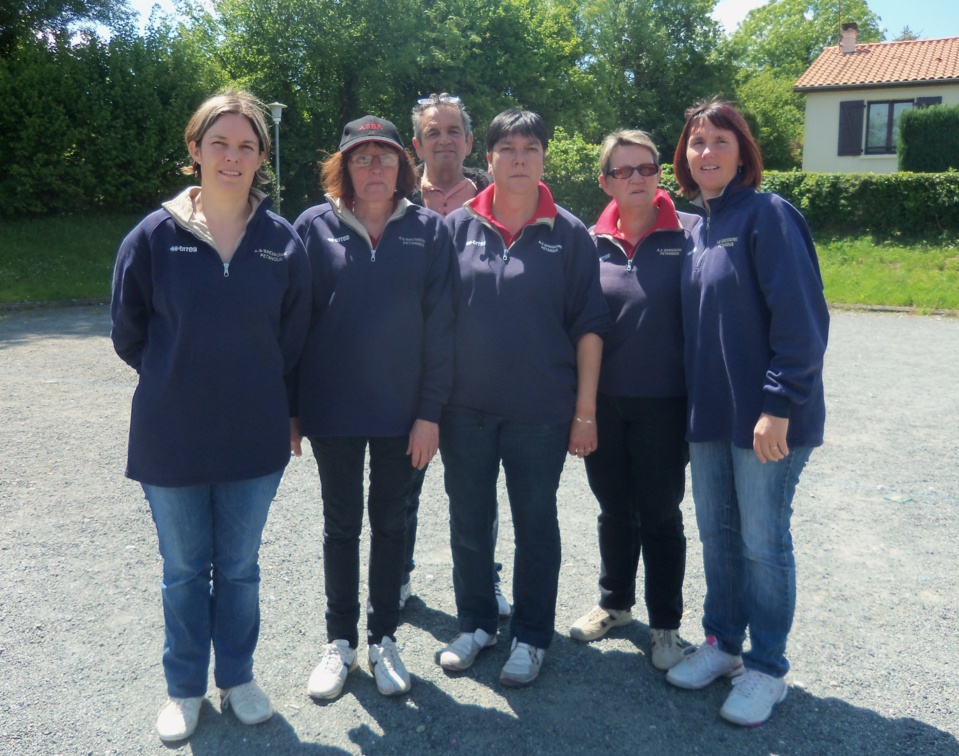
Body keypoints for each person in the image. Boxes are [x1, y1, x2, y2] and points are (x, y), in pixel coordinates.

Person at [110, 90, 311, 742]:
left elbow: (295, 337)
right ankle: (184, 688)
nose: (232, 156)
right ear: (195, 150)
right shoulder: (152, 237)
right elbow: (128, 332)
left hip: (254, 439)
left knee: (242, 568)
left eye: (245, 145)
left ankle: (240, 678)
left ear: (260, 158)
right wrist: (179, 380)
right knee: (184, 571)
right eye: (219, 143)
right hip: (171, 438)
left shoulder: (282, 242)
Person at [664, 100, 829, 726]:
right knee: (718, 537)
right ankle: (723, 645)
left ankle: (767, 670)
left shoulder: (768, 215)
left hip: (767, 419)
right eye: (697, 142)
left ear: (743, 151)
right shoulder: (697, 228)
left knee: (762, 543)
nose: (706, 152)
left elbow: (802, 320)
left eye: (719, 141)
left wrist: (780, 405)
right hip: (711, 416)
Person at [439, 109, 610, 687]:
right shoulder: (455, 229)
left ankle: (532, 636)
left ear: (543, 158)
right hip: (465, 411)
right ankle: (477, 624)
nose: (518, 158)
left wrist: (584, 412)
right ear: (486, 159)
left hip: (540, 413)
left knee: (535, 523)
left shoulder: (570, 233)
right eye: (506, 148)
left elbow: (590, 328)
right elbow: (432, 321)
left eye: (530, 148)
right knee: (469, 520)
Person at [292, 116, 455, 701]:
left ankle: (383, 636)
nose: (375, 168)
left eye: (385, 156)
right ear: (344, 168)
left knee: (391, 525)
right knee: (341, 526)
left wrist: (430, 412)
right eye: (361, 158)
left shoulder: (429, 231)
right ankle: (340, 644)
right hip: (332, 411)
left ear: (402, 166)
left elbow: (443, 328)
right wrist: (293, 408)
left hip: (403, 415)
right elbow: (293, 322)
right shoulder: (312, 227)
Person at [568, 130, 694, 671]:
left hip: (667, 403)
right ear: (606, 181)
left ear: (659, 173)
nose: (637, 178)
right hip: (604, 402)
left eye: (646, 168)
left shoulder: (691, 233)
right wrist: (583, 409)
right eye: (624, 171)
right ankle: (616, 604)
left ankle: (665, 626)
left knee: (661, 515)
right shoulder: (587, 242)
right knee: (615, 509)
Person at [405, 92, 508, 619]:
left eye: (453, 131)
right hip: (407, 379)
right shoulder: (393, 204)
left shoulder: (495, 205)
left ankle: (484, 583)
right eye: (432, 132)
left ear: (470, 142)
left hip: (471, 381)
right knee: (402, 490)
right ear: (416, 145)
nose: (443, 140)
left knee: (476, 497)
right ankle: (395, 578)